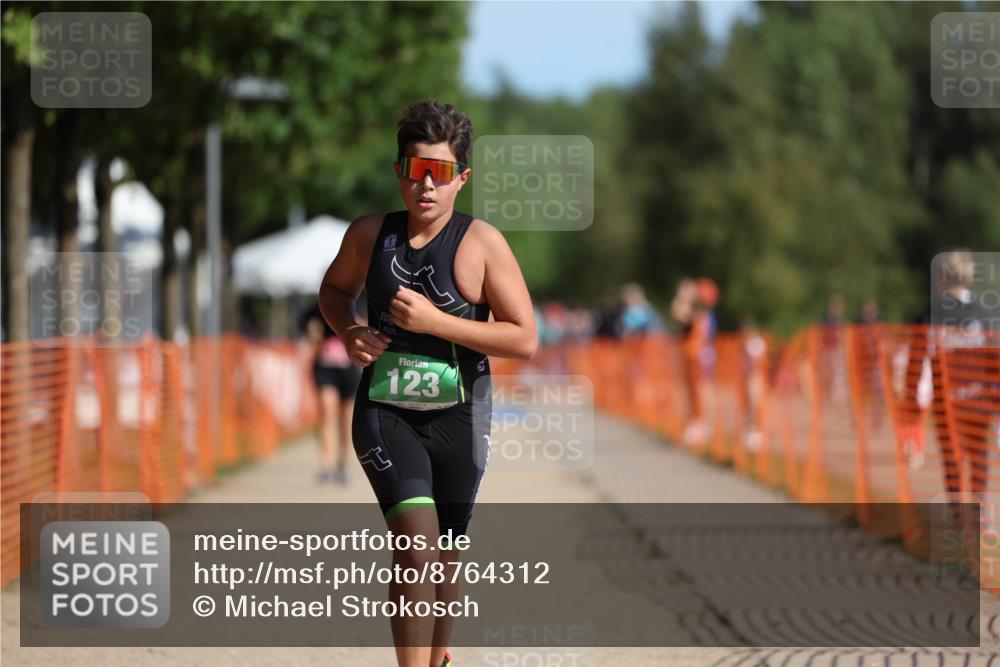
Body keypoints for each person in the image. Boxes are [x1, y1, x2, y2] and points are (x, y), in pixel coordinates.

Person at [317, 98, 536, 667]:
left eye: (440, 173)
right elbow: (333, 290)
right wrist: (348, 330)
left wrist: (438, 323)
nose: (427, 186)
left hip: (461, 417)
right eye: (416, 171)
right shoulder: (368, 235)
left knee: (445, 559)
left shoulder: (482, 244)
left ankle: (438, 658)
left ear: (462, 178)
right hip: (385, 413)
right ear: (399, 172)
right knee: (415, 549)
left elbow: (525, 338)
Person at [302, 301, 361, 484]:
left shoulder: (356, 303)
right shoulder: (316, 307)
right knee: (327, 415)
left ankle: (342, 464)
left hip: (348, 369)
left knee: (345, 419)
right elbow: (305, 326)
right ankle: (326, 466)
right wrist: (314, 334)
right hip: (325, 369)